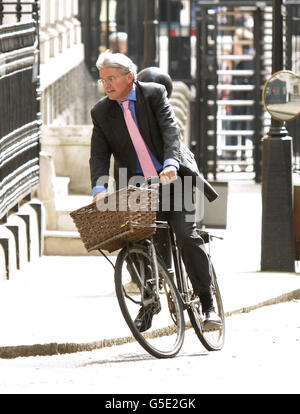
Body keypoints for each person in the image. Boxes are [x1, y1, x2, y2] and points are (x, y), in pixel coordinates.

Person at [89, 51, 221, 332]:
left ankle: (208, 303)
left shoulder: (153, 94)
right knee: (132, 242)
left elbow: (171, 131)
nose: (107, 85)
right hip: (136, 185)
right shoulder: (101, 111)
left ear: (129, 77)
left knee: (186, 235)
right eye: (103, 80)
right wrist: (99, 189)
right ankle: (149, 301)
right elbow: (99, 155)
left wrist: (171, 163)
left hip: (173, 178)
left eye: (111, 79)